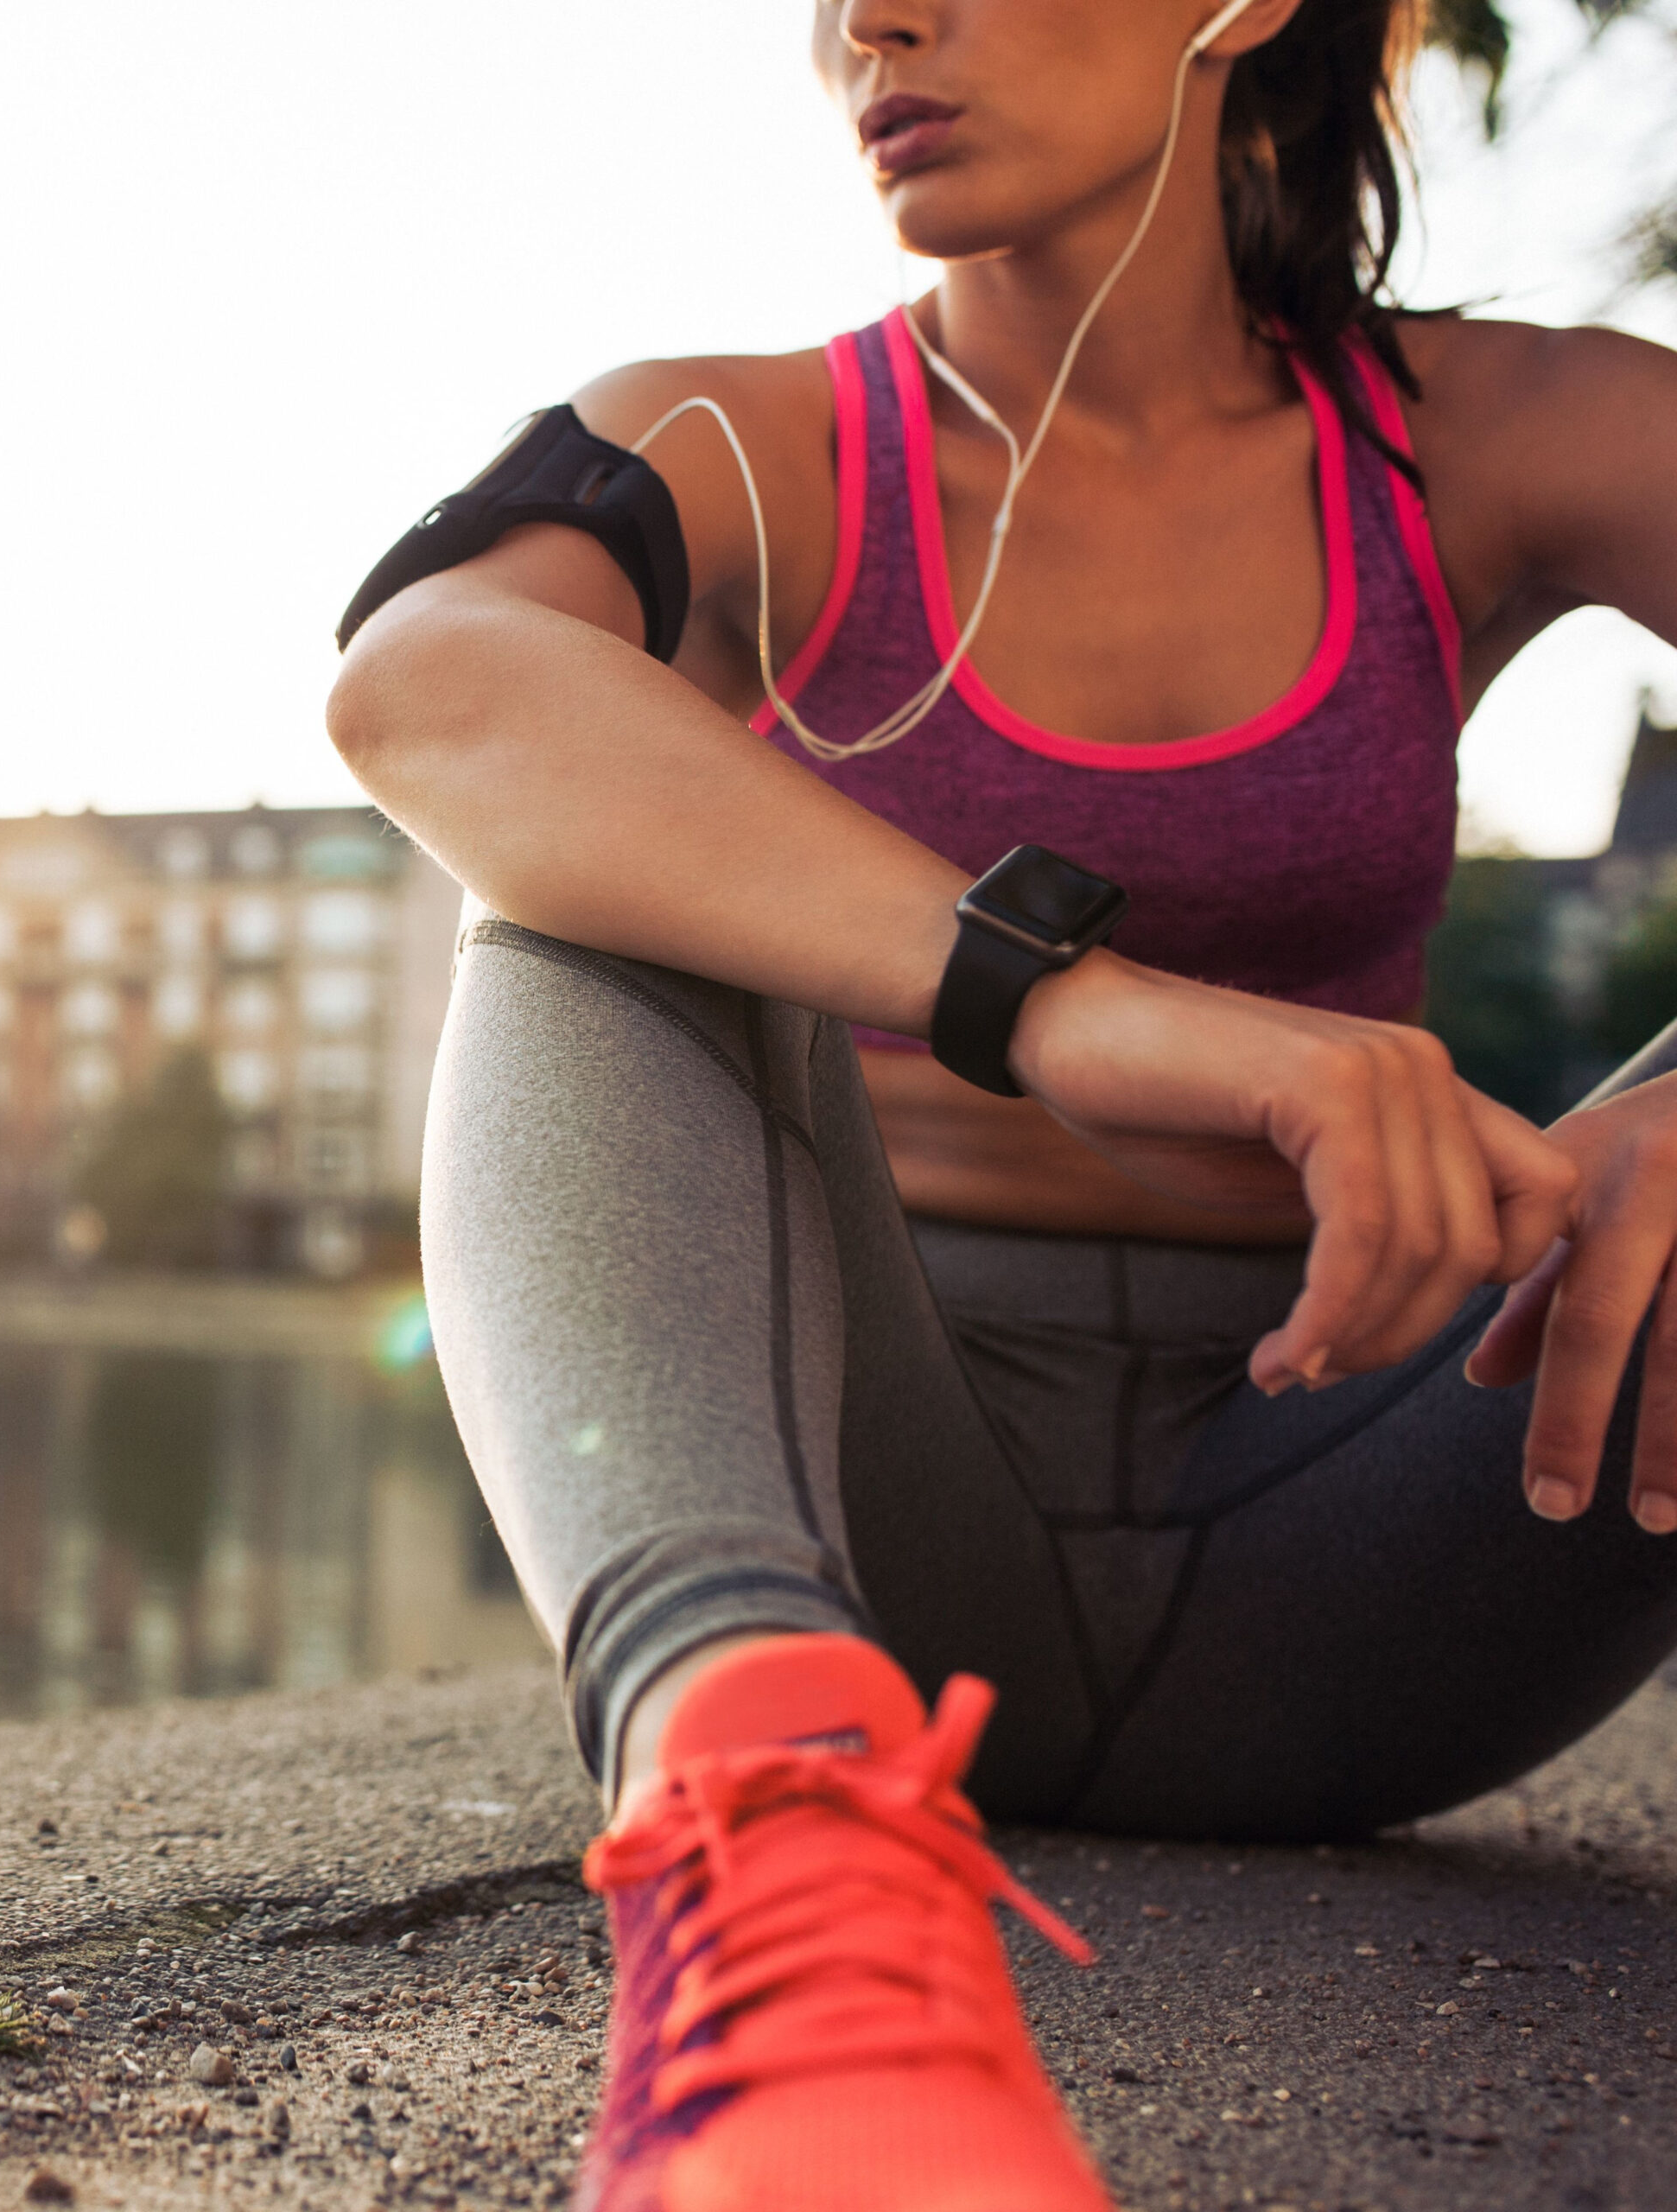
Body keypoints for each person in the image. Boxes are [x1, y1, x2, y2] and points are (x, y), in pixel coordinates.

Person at [327, 1, 1677, 2205]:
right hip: (861, 1518)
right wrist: (1060, 997)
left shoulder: (1502, 430)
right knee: (587, 855)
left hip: (1389, 1554)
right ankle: (771, 1898)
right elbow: (419, 679)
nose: (868, 16)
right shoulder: (736, 444)